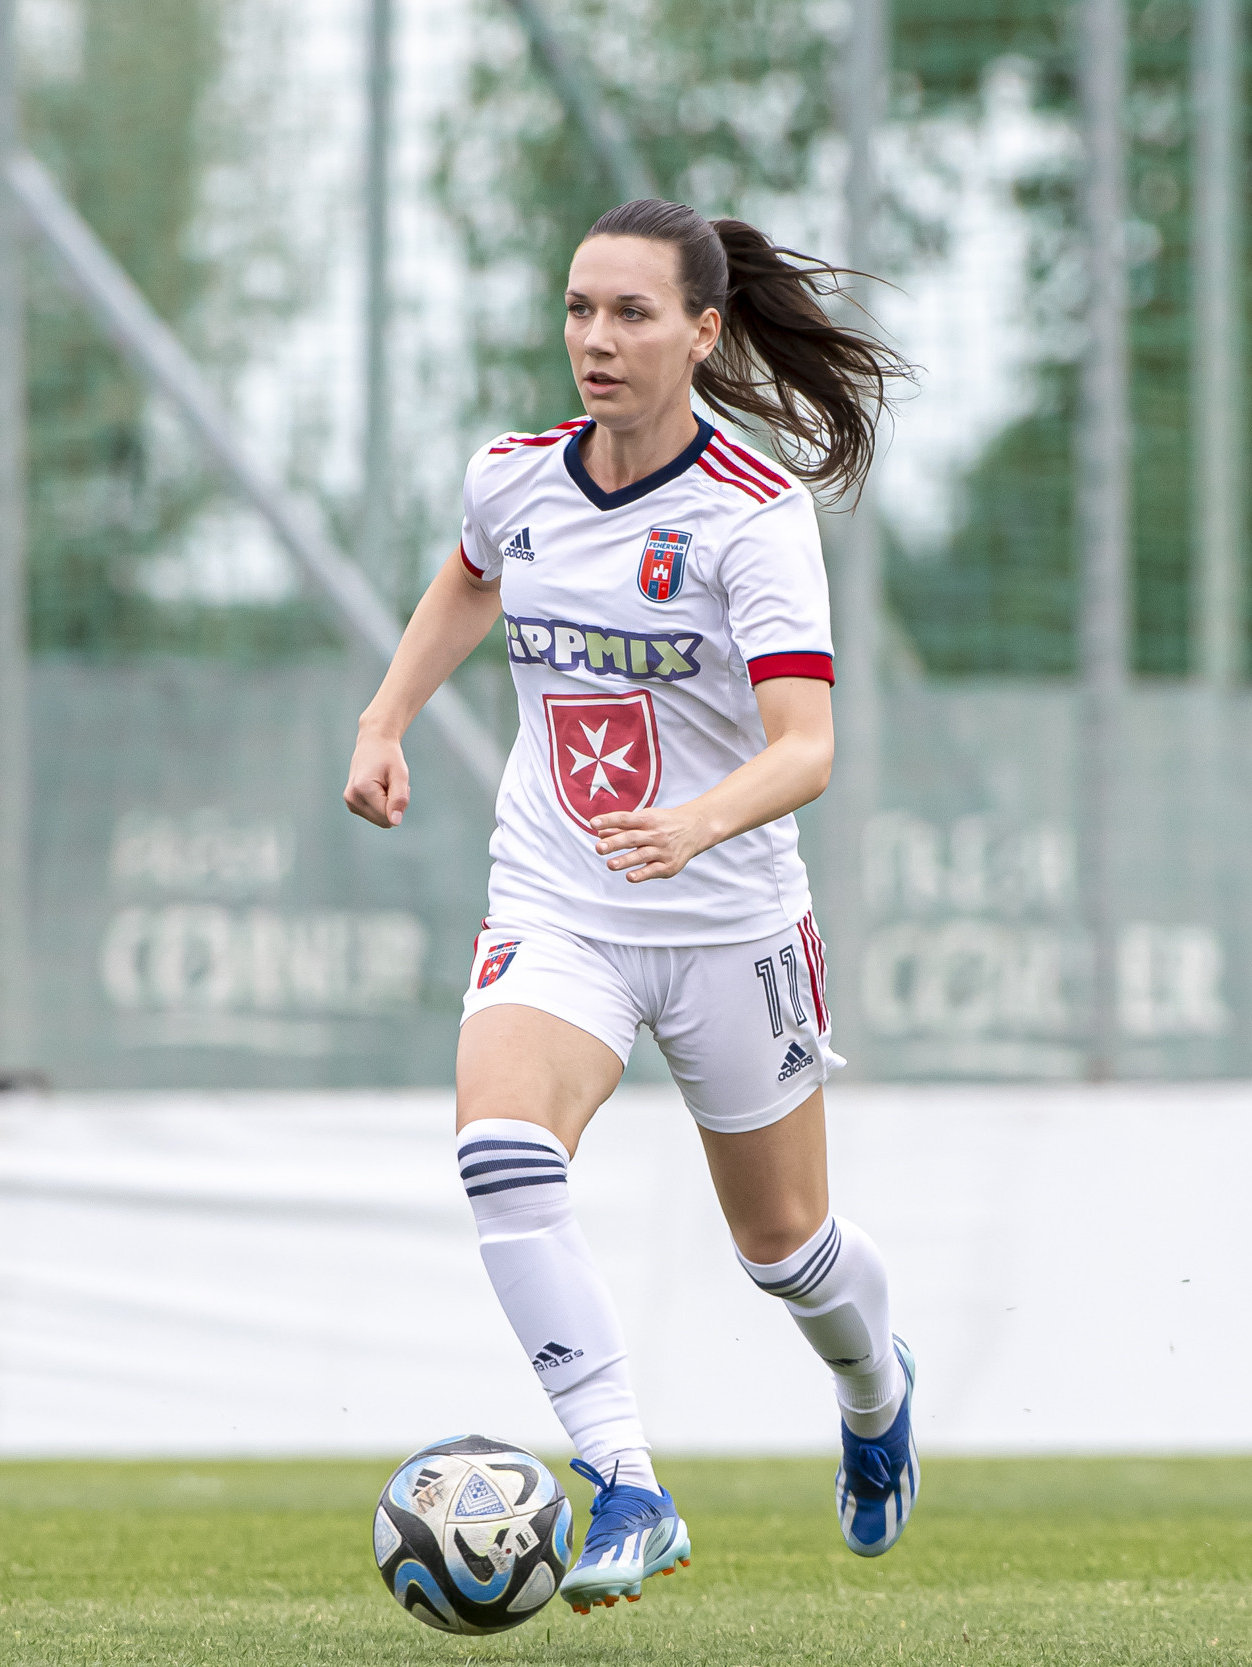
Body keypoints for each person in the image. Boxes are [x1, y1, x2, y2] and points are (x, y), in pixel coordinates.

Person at [343, 197, 915, 1616]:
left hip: (728, 926)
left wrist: (696, 824)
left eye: (632, 314)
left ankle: (874, 1391)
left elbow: (806, 749)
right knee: (501, 1154)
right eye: (579, 310)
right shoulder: (513, 478)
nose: (595, 339)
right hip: (560, 902)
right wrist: (383, 721)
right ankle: (628, 1485)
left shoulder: (752, 514)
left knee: (786, 1252)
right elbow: (468, 583)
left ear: (703, 333)